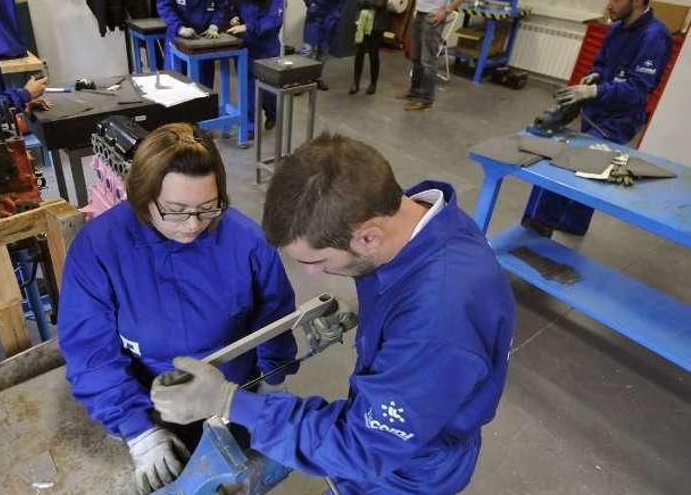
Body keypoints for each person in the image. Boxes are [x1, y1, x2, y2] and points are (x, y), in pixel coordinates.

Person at [151, 134, 516, 494]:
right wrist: (366, 314)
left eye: (318, 261)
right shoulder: (417, 218)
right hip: (414, 419)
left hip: (407, 472)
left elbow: (361, 447)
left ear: (369, 238)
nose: (311, 273)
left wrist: (228, 401)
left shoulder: (438, 320)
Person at [58, 123, 299, 495]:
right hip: (144, 409)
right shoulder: (99, 250)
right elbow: (90, 352)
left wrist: (271, 378)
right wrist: (139, 432)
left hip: (232, 398)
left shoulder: (246, 241)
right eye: (175, 210)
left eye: (207, 208)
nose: (192, 225)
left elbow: (274, 317)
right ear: (142, 196)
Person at [522, 0, 672, 237]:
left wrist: (596, 92)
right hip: (597, 111)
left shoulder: (654, 36)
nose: (609, 3)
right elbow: (601, 65)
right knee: (593, 167)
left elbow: (638, 90)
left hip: (620, 119)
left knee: (572, 161)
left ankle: (539, 224)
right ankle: (574, 223)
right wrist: (594, 76)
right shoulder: (617, 28)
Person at [226, 0, 283, 131]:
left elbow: (274, 20)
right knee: (247, 88)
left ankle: (271, 113)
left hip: (267, 49)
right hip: (246, 47)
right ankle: (250, 125)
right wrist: (235, 17)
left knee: (269, 90)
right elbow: (235, 8)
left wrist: (248, 27)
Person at [397, 0, 463, 110]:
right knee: (416, 57)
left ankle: (426, 98)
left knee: (427, 59)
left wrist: (445, 11)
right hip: (420, 13)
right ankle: (415, 91)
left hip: (433, 15)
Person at [158, 0, 225, 88]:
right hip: (177, 37)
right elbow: (164, 6)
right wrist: (179, 28)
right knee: (175, 83)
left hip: (203, 40)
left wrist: (215, 24)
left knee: (203, 88)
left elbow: (221, 6)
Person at [298, 0, 346, 90]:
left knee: (323, 51)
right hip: (315, 16)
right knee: (307, 50)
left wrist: (337, 13)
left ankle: (317, 77)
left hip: (330, 17)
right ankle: (301, 81)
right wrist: (310, 3)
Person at [349, 0, 387, 95]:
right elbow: (359, 3)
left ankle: (373, 83)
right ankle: (356, 82)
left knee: (374, 55)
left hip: (377, 24)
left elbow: (380, 4)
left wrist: (366, 3)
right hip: (362, 22)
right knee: (359, 54)